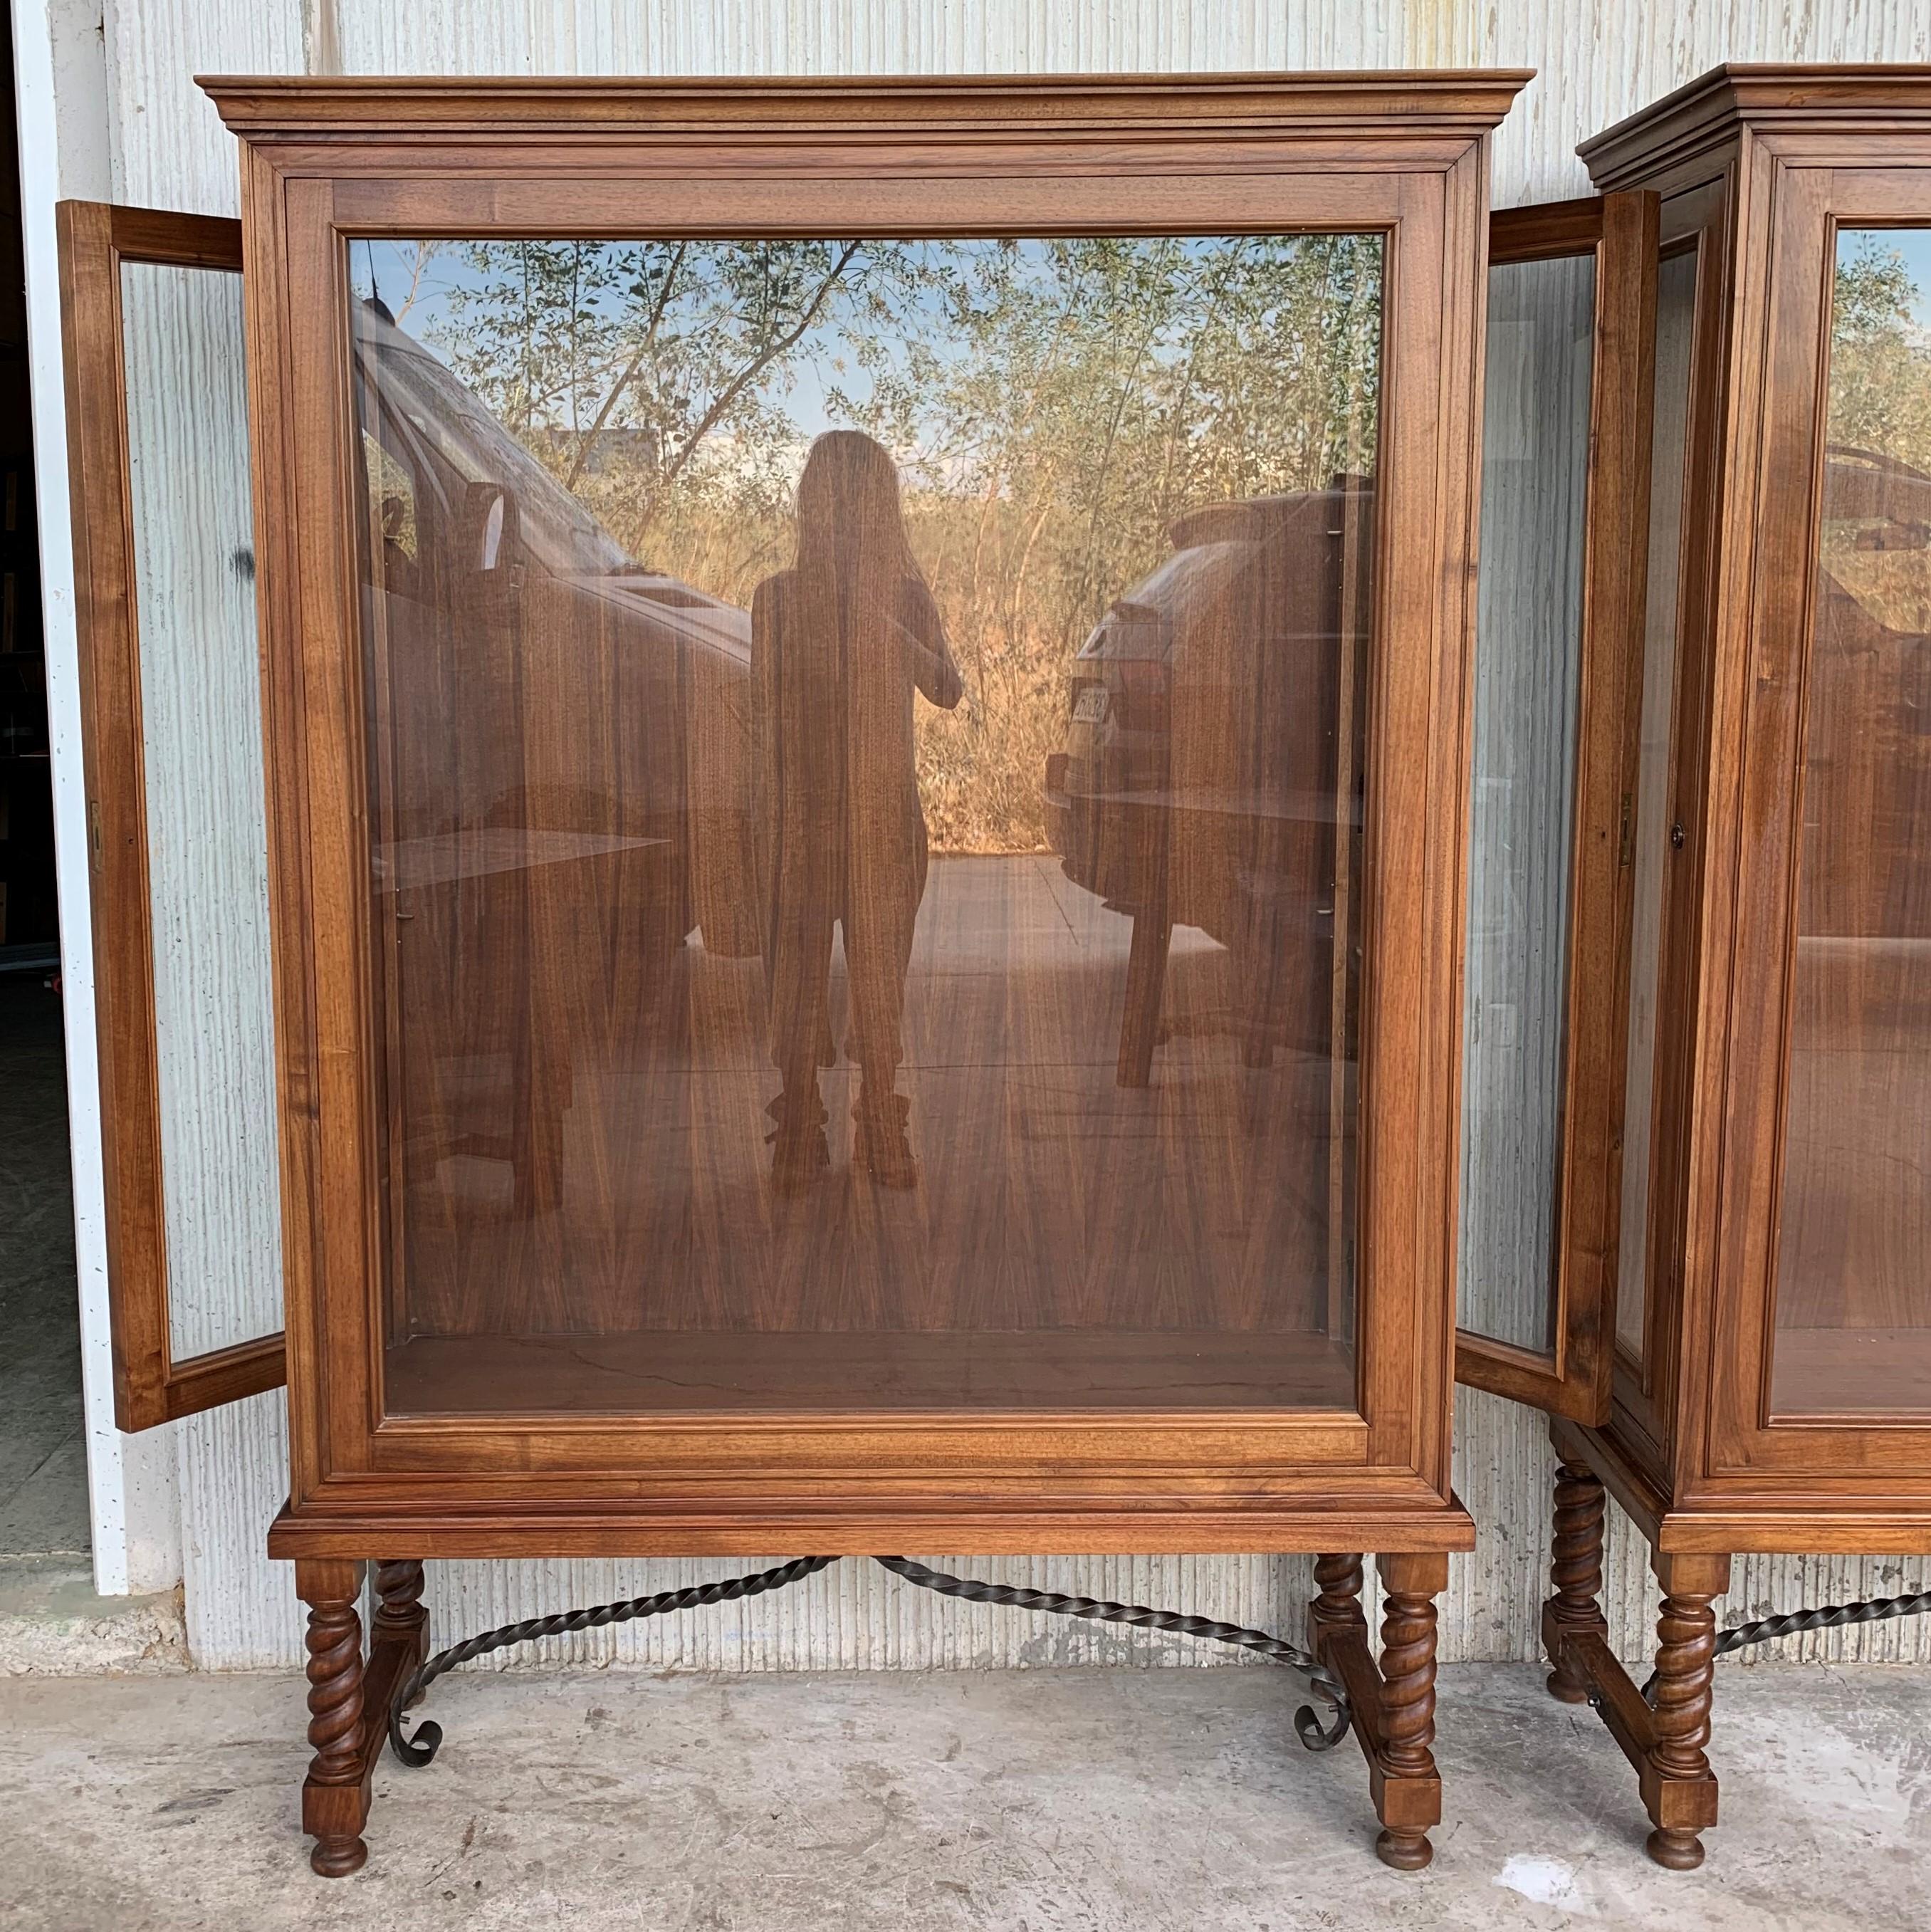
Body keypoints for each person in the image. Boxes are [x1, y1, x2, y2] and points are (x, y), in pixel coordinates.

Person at [751, 430, 963, 1191]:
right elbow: (763, 716)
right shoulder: (778, 598)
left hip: (868, 820)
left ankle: (868, 1120)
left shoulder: (899, 597)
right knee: (802, 984)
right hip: (815, 820)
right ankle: (810, 1123)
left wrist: (894, 635)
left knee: (873, 986)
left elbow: (947, 687)